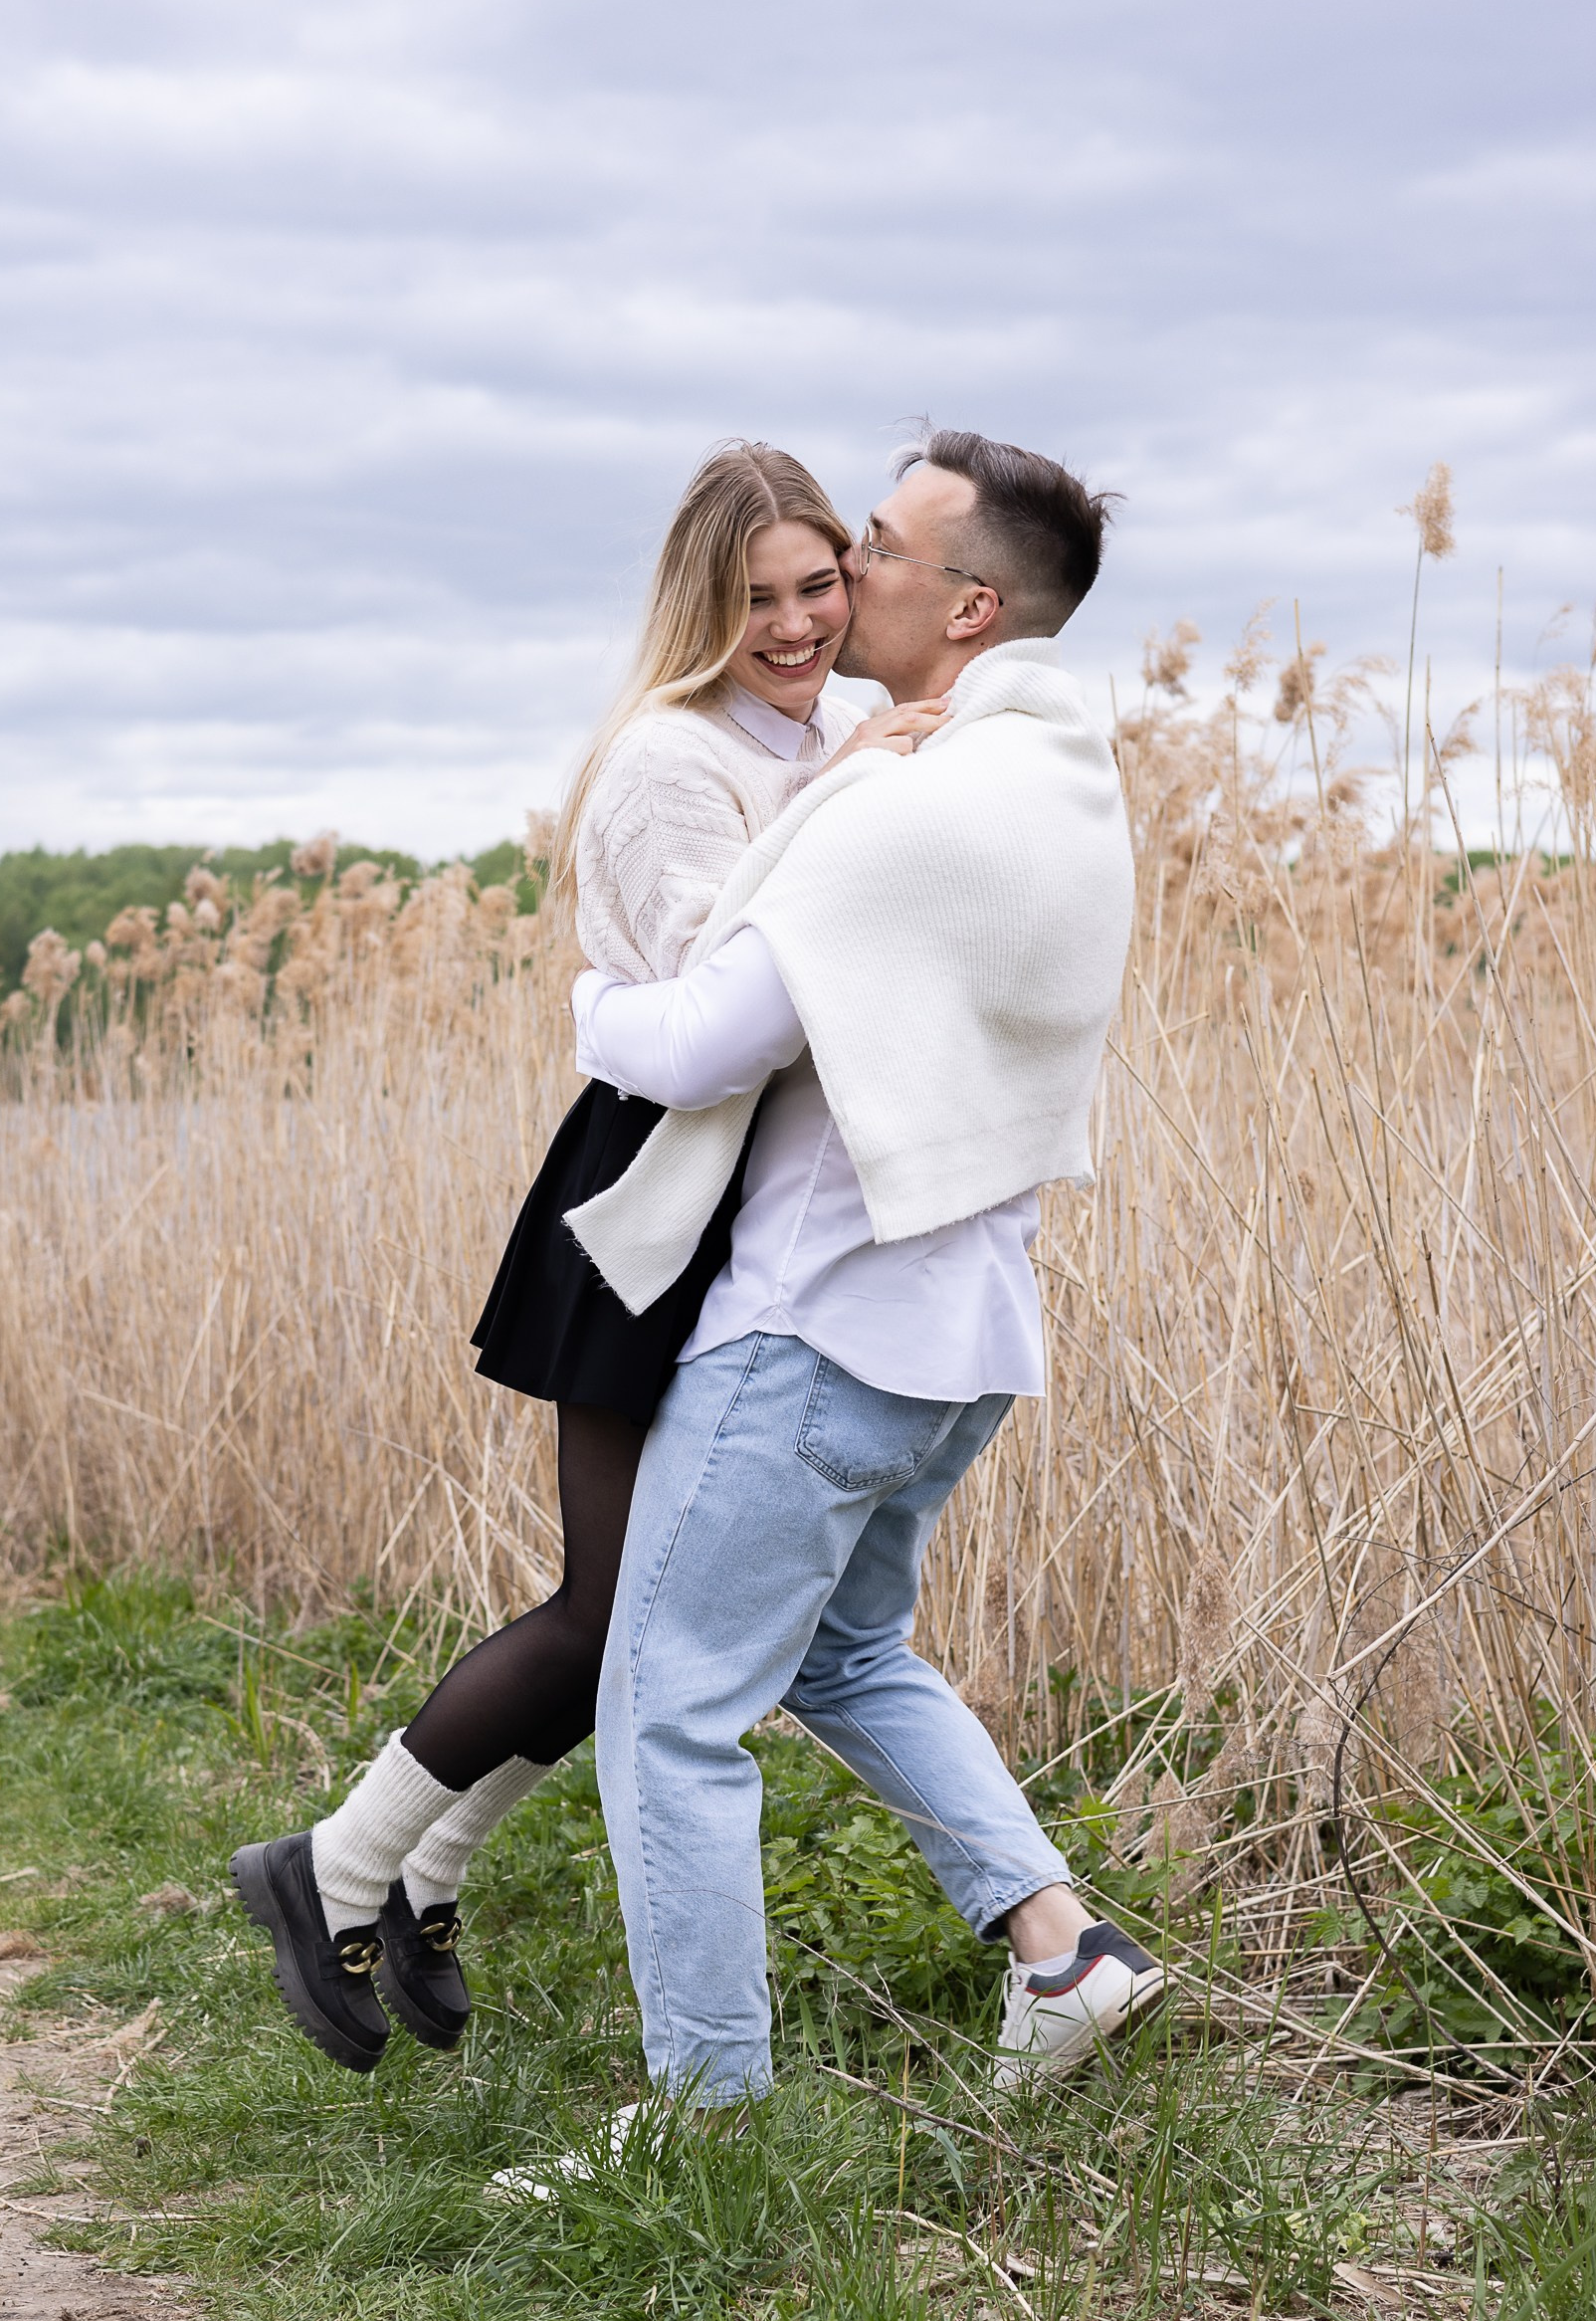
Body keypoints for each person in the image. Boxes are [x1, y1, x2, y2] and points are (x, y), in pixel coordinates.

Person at [231, 440, 945, 2074]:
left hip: (754, 1206)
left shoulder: (843, 725)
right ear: (701, 603)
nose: (795, 625)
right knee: (617, 1600)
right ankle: (335, 1868)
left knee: (645, 1611)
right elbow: (722, 1000)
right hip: (646, 1192)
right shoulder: (663, 763)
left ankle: (421, 1870)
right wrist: (849, 795)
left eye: (820, 584)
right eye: (755, 597)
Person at [563, 428, 1163, 2121]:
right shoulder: (1062, 780)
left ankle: (706, 2121)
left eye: (880, 553)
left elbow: (690, 1047)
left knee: (668, 1713)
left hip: (816, 1333)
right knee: (841, 1653)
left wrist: (586, 1001)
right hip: (966, 1342)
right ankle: (1064, 1949)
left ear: (970, 605)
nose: (847, 580)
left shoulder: (907, 811)